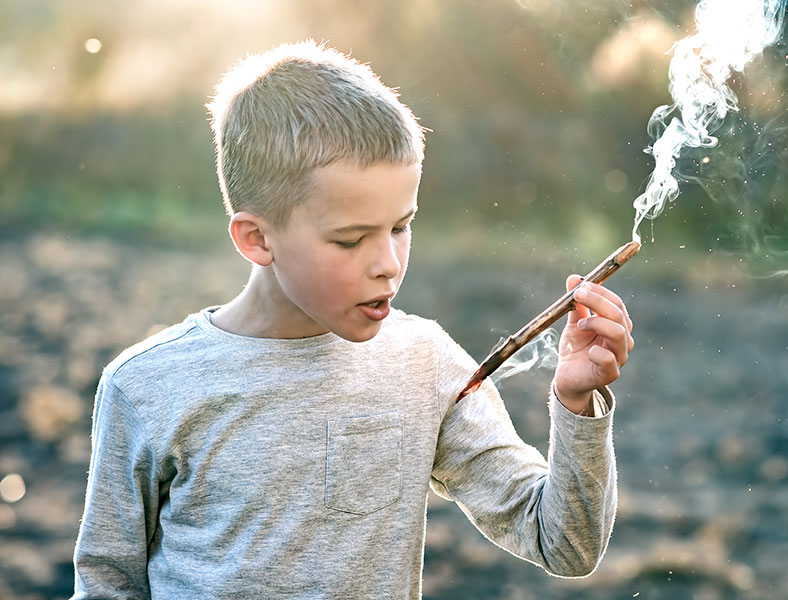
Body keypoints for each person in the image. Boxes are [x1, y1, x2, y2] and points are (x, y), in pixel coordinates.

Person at [72, 40, 634, 599]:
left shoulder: (425, 364)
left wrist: (577, 404)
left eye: (400, 227)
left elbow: (563, 543)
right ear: (257, 238)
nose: (387, 265)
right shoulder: (147, 387)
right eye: (350, 239)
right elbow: (106, 586)